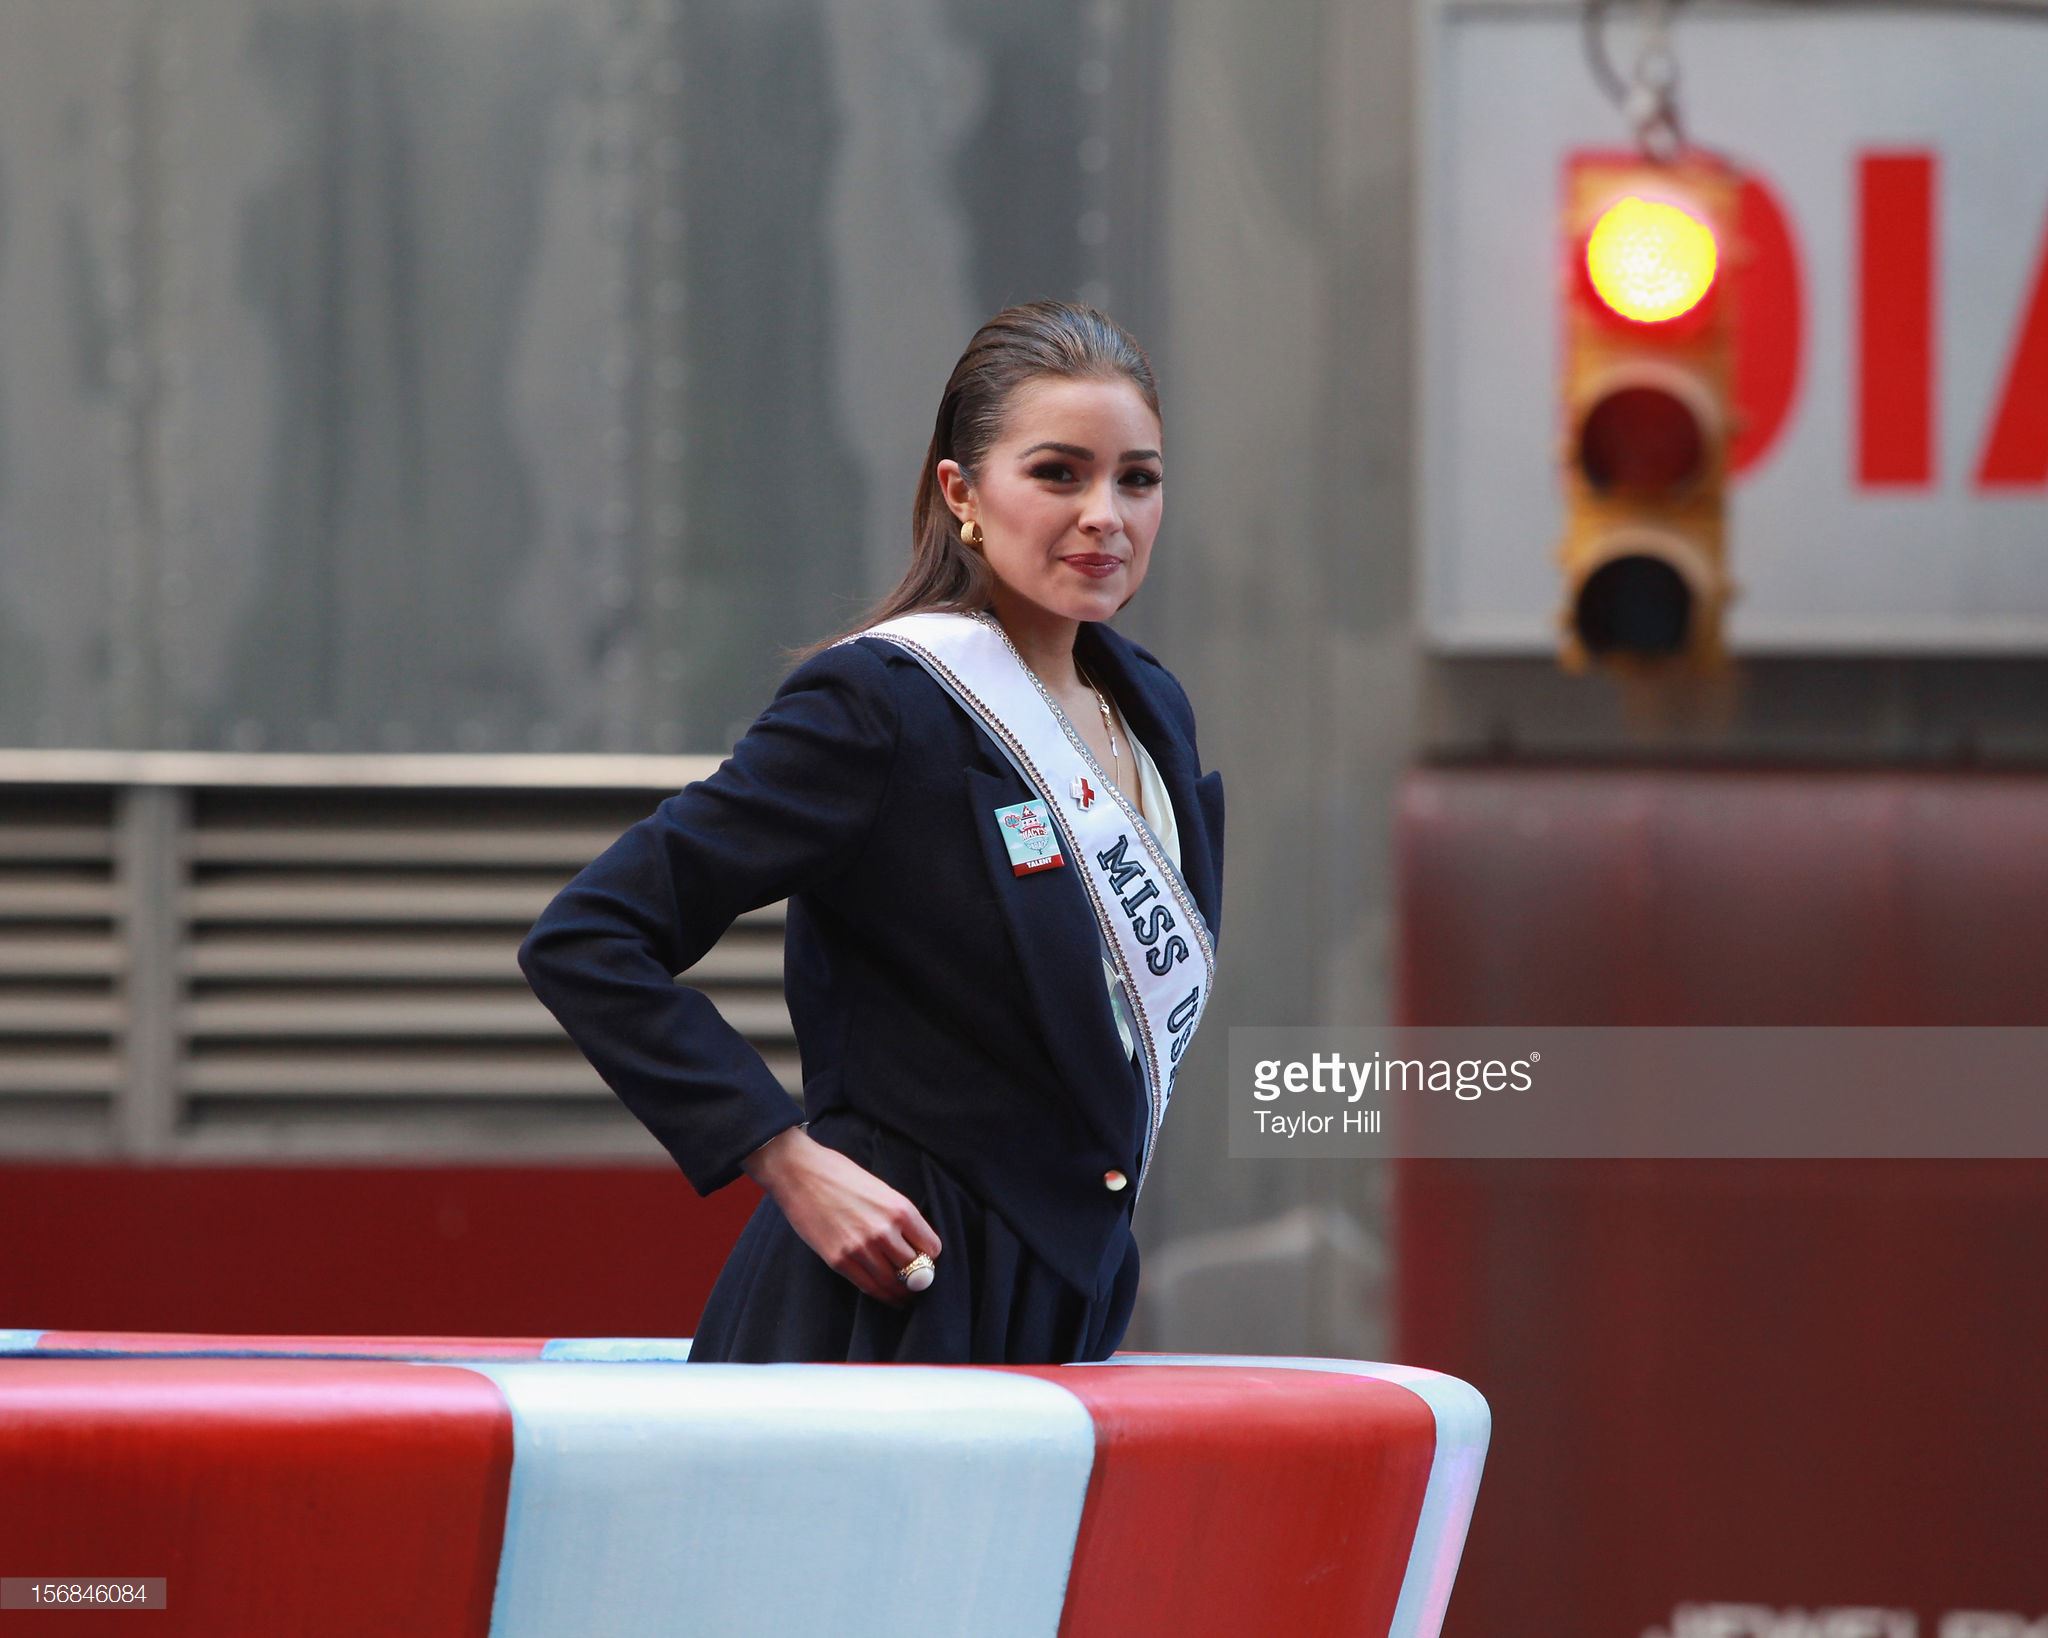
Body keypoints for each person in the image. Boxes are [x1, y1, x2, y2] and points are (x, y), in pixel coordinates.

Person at [518, 300, 1224, 1364]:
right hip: (891, 1297)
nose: (1105, 516)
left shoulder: (1153, 710)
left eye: (1137, 479)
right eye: (1057, 474)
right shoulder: (882, 705)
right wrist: (784, 1158)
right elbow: (587, 936)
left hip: (1064, 1302)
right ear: (961, 493)